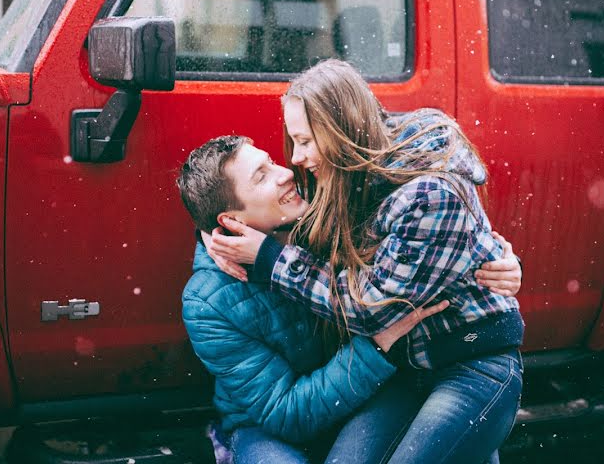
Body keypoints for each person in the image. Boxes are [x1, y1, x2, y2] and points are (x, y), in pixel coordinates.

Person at [208, 59, 524, 464]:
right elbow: (242, 199)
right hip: (402, 370)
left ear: (340, 130)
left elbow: (373, 309)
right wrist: (213, 231)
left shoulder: (428, 192)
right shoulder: (344, 178)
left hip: (469, 360)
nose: (296, 159)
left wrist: (269, 260)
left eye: (305, 141)